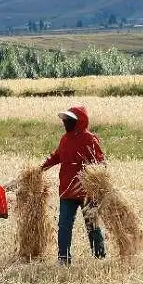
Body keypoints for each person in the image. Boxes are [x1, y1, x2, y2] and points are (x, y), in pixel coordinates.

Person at [40, 106, 106, 265]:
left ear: (79, 122)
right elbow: (56, 157)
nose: (65, 123)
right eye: (65, 120)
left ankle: (99, 256)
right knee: (64, 225)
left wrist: (96, 176)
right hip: (67, 191)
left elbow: (100, 162)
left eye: (69, 120)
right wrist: (41, 168)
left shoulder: (90, 139)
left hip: (87, 192)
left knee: (92, 225)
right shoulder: (65, 139)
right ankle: (64, 258)